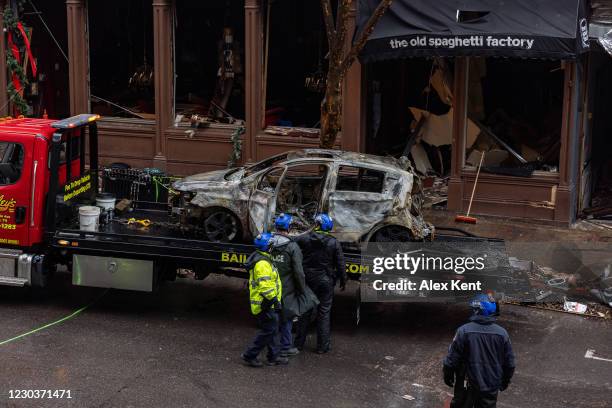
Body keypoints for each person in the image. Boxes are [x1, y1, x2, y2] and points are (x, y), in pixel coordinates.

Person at [443, 293, 515, 408]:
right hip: (491, 384)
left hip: (467, 383)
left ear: (476, 310)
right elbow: (510, 363)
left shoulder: (464, 331)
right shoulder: (502, 334)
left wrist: (448, 374)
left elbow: (452, 358)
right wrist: (505, 381)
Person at [294, 213, 346, 354]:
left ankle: (298, 345)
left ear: (316, 225)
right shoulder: (333, 242)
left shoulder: (305, 239)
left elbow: (292, 245)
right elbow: (341, 264)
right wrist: (343, 280)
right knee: (324, 313)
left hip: (308, 280)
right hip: (326, 281)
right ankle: (322, 347)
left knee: (305, 312)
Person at [241, 232, 288, 367]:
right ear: (267, 247)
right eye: (272, 245)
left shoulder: (264, 258)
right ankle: (250, 355)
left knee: (272, 329)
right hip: (265, 303)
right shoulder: (262, 263)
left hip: (267, 303)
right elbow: (265, 286)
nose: (274, 247)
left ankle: (273, 356)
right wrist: (274, 300)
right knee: (269, 330)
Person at [271, 213, 306, 357]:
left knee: (272, 317)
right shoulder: (292, 247)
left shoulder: (268, 243)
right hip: (286, 288)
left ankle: (271, 346)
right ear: (289, 228)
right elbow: (298, 272)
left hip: (270, 288)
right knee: (286, 318)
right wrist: (301, 289)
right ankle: (286, 346)